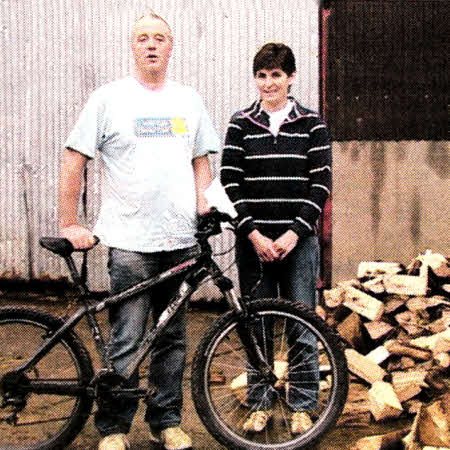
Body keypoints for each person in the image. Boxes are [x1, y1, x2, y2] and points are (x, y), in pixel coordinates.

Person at [59, 10, 219, 450]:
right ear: (132, 46)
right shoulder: (109, 99)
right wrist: (69, 221)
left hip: (180, 241)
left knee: (171, 340)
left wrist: (205, 205)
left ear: (171, 46)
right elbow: (74, 156)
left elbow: (200, 159)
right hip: (130, 243)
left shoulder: (188, 100)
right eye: (143, 38)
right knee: (127, 338)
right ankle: (113, 428)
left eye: (160, 38)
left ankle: (165, 422)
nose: (152, 45)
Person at [220, 42, 331, 434]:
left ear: (291, 78)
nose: (268, 84)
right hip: (254, 246)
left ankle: (302, 404)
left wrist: (293, 233)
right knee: (257, 326)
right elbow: (229, 183)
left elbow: (320, 185)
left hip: (297, 245)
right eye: (262, 76)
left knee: (302, 324)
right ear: (256, 79)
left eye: (276, 75)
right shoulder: (240, 123)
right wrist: (251, 232)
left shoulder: (312, 123)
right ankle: (260, 402)